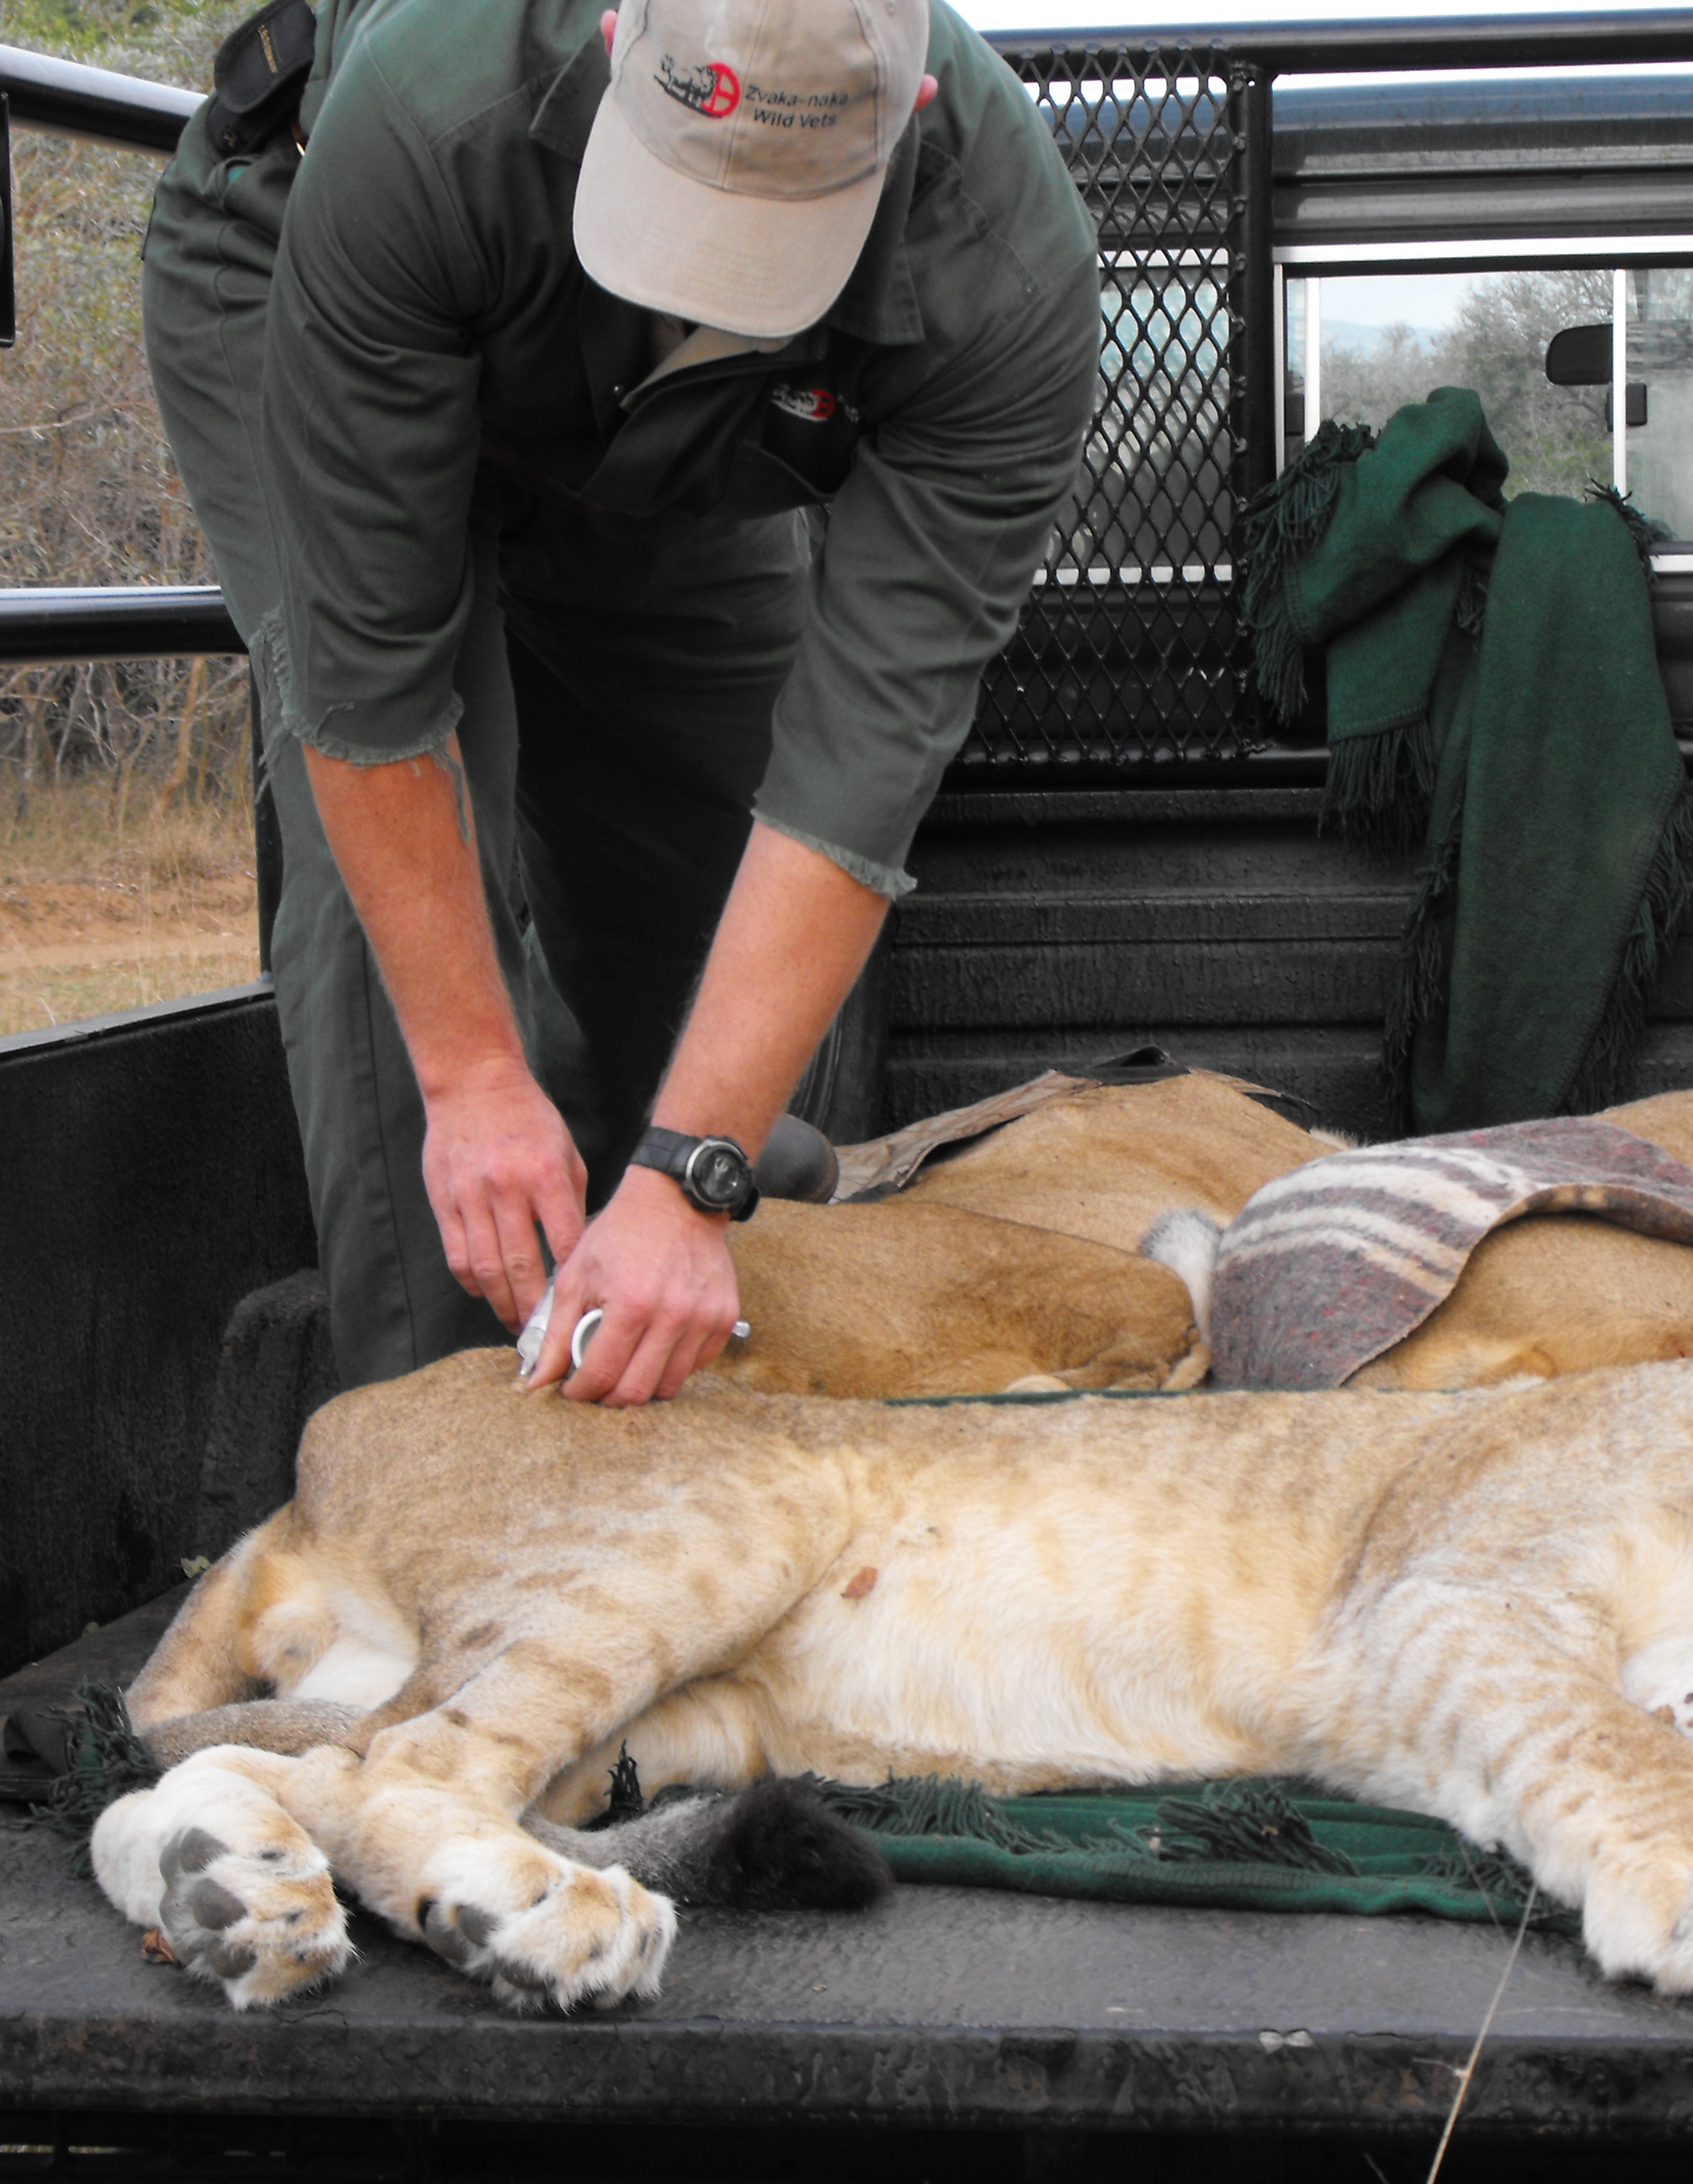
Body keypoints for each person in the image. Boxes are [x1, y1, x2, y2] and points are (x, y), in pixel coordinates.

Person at [140, 0, 1101, 1404]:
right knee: (402, 915)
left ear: (913, 121)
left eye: (764, 228)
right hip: (347, 260)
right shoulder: (434, 108)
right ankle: (461, 1474)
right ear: (609, 34)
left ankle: (651, 1325)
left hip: (695, 424)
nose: (718, 264)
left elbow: (855, 768)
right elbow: (374, 694)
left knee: (703, 972)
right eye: (700, 210)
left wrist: (690, 1169)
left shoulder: (1006, 270)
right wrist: (475, 1082)